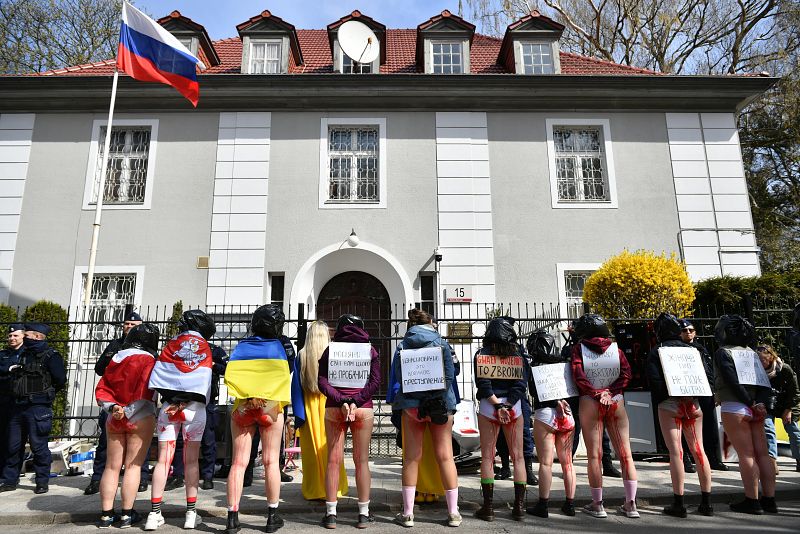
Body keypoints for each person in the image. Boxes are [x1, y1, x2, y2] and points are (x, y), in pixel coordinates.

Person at [224, 304, 293, 534]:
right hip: (271, 407)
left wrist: (249, 396)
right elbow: (286, 372)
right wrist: (263, 396)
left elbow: (231, 374)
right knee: (271, 462)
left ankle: (232, 518)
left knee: (238, 463)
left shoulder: (242, 346)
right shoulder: (281, 346)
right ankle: (272, 517)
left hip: (243, 406)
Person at [388, 308, 461, 528]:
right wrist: (434, 400)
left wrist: (417, 401)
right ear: (430, 323)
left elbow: (401, 376)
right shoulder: (441, 343)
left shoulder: (402, 345)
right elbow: (449, 375)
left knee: (411, 458)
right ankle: (453, 513)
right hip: (440, 405)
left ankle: (408, 514)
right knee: (445, 457)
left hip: (412, 407)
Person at [145, 310, 216, 531]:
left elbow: (159, 375)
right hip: (194, 408)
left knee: (163, 460)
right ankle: (191, 514)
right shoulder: (204, 346)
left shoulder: (171, 345)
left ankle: (154, 514)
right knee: (192, 460)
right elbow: (204, 377)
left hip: (169, 407)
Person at [570, 313, 639, 519]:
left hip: (591, 401)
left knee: (594, 455)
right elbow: (626, 373)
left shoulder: (578, 349)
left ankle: (598, 504)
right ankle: (631, 503)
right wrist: (612, 392)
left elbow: (578, 375)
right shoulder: (615, 349)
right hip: (616, 401)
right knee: (626, 453)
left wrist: (597, 393)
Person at [646, 313, 714, 518]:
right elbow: (708, 377)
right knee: (699, 450)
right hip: (693, 404)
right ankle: (706, 501)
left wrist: (670, 395)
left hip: (670, 404)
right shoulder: (694, 350)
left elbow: (655, 382)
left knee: (676, 453)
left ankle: (679, 502)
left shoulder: (657, 352)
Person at [317, 315, 381, 528]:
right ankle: (363, 513)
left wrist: (342, 400)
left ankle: (331, 514)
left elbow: (322, 381)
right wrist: (355, 400)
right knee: (361, 461)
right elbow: (375, 381)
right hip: (363, 408)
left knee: (333, 461)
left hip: (335, 408)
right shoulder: (370, 350)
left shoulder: (331, 350)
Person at [94, 323, 160, 528]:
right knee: (134, 467)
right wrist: (129, 411)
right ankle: (126, 514)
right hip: (140, 416)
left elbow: (102, 387)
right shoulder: (149, 359)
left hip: (113, 416)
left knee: (111, 467)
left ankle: (106, 515)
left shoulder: (117, 357)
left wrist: (114, 407)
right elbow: (146, 392)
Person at [713, 314, 776, 514]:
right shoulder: (752, 353)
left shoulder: (723, 353)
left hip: (735, 406)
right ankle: (770, 500)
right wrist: (760, 404)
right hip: (757, 407)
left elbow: (731, 379)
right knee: (763, 454)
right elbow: (764, 381)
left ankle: (752, 500)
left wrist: (749, 403)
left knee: (746, 455)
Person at [85, 311, 147, 495]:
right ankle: (97, 479)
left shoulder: (146, 348)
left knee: (139, 446)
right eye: (127, 324)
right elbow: (99, 370)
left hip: (136, 404)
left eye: (133, 325)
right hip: (112, 402)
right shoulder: (115, 345)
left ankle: (141, 479)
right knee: (106, 444)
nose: (129, 327)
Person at [0, 323, 66, 494]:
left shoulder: (51, 356)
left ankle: (42, 481)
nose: (24, 338)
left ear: (37, 337)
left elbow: (60, 379)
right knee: (12, 446)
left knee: (38, 446)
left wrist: (45, 394)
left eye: (27, 335)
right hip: (17, 406)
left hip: (38, 407)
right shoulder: (23, 355)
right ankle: (9, 480)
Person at [473, 317, 528, 522]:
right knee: (518, 457)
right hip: (514, 408)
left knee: (487, 457)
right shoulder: (517, 354)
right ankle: (519, 508)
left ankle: (488, 508)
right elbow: (521, 385)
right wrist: (508, 404)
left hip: (489, 406)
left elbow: (483, 384)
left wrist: (497, 405)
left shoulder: (482, 354)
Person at [290, 320, 348, 501]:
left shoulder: (301, 355)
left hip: (309, 407)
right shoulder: (333, 353)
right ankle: (334, 488)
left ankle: (314, 489)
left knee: (311, 451)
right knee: (332, 449)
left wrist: (298, 414)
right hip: (329, 404)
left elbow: (296, 388)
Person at [525, 330, 577, 518]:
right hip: (567, 414)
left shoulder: (534, 367)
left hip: (545, 415)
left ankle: (543, 505)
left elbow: (533, 392)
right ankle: (570, 504)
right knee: (567, 463)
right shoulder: (563, 365)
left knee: (546, 463)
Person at [164, 342, 229, 491]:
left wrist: (212, 365)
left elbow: (227, 369)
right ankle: (178, 476)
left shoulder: (213, 350)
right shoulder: (181, 348)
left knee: (208, 441)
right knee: (180, 440)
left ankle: (207, 477)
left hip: (205, 400)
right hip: (182, 399)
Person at [562, 323, 621, 478]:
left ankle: (607, 464)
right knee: (574, 431)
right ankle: (569, 466)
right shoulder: (570, 349)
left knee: (602, 433)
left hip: (594, 394)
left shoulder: (596, 350)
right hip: (578, 394)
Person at [679, 319, 727, 471]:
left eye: (691, 330)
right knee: (685, 425)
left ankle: (712, 458)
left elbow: (709, 370)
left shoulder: (701, 348)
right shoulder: (676, 349)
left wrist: (713, 390)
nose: (688, 332)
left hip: (705, 390)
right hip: (687, 391)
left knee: (709, 426)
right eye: (685, 330)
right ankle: (686, 458)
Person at [758, 344, 800, 473]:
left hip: (787, 403)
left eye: (762, 360)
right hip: (768, 404)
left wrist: (789, 409)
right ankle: (772, 462)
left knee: (793, 431)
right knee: (768, 430)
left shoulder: (784, 369)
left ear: (770, 357)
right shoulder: (756, 371)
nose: (760, 363)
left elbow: (795, 391)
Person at [0, 324, 25, 473]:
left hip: (20, 403)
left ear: (23, 336)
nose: (12, 338)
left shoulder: (27, 354)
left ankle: (11, 473)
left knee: (15, 441)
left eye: (15, 335)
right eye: (10, 336)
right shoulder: (3, 354)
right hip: (3, 401)